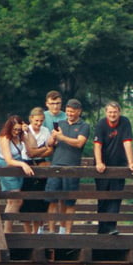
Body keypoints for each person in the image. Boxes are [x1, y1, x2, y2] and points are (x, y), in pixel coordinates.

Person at [92, 101, 133, 235]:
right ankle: (102, 229)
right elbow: (97, 145)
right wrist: (99, 162)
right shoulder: (101, 124)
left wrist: (131, 162)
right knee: (103, 197)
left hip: (119, 164)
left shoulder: (124, 122)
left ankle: (112, 226)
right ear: (106, 113)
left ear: (119, 112)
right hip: (103, 165)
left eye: (115, 112)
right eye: (110, 112)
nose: (112, 115)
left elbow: (127, 142)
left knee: (116, 196)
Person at [47, 98, 89, 235]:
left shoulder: (84, 126)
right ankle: (52, 230)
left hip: (72, 166)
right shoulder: (60, 123)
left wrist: (62, 137)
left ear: (79, 111)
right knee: (52, 199)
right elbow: (50, 143)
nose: (70, 114)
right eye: (68, 111)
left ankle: (66, 231)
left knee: (69, 201)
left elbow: (79, 143)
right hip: (56, 164)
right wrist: (53, 138)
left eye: (72, 111)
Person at [0, 114, 35, 233]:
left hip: (17, 166)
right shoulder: (4, 138)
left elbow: (32, 149)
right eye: (15, 130)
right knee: (16, 199)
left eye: (18, 129)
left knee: (13, 201)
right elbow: (8, 159)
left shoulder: (20, 136)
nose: (16, 132)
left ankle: (8, 229)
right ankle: (7, 230)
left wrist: (28, 132)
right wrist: (23, 164)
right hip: (7, 167)